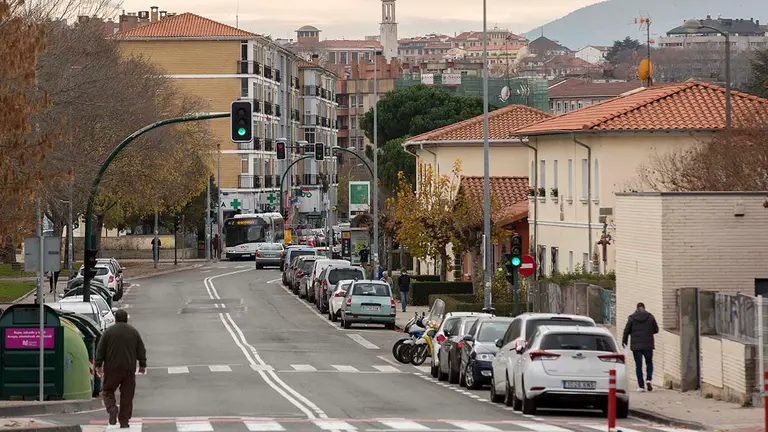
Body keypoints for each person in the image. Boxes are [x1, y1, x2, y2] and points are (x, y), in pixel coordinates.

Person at [95, 309, 147, 428]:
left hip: (112, 368)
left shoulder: (108, 332)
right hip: (129, 369)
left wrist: (98, 364)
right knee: (127, 395)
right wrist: (142, 364)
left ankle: (112, 408)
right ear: (126, 319)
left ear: (115, 319)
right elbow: (141, 348)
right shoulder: (133, 332)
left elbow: (100, 348)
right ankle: (124, 421)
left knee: (108, 390)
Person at [622, 302, 659, 392]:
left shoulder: (632, 318)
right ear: (644, 308)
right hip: (648, 345)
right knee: (649, 363)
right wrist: (649, 333)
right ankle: (649, 379)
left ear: (637, 308)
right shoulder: (650, 317)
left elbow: (626, 331)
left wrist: (624, 342)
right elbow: (656, 329)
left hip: (636, 346)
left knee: (638, 365)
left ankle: (641, 386)